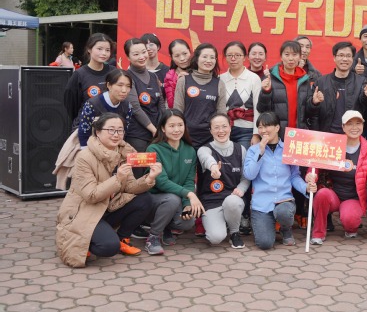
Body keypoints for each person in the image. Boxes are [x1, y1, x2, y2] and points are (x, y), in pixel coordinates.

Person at [55, 113, 160, 268]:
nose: (116, 135)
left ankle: (122, 238)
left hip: (108, 207)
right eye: (111, 130)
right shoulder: (84, 157)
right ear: (98, 132)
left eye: (120, 130)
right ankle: (86, 242)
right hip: (86, 211)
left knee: (144, 199)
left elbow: (130, 187)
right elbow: (91, 195)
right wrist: (118, 178)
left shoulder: (122, 153)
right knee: (108, 247)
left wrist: (149, 178)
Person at [257, 41, 313, 227]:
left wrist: (315, 102)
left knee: (298, 174)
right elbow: (262, 109)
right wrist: (265, 91)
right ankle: (277, 216)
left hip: (299, 136)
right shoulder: (271, 78)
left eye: (294, 55)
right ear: (281, 56)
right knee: (278, 175)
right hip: (278, 136)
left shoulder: (305, 79)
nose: (291, 58)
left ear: (300, 57)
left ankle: (299, 213)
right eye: (287, 54)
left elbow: (309, 111)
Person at [307, 110, 367, 245]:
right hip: (333, 193)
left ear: (363, 125)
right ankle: (318, 233)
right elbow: (315, 163)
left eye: (358, 123)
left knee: (350, 219)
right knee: (321, 194)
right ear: (343, 127)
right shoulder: (333, 143)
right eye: (350, 124)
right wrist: (311, 175)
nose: (354, 127)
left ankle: (351, 229)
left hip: (353, 197)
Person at [243, 112, 316, 249]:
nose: (263, 130)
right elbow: (249, 175)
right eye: (260, 127)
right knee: (265, 243)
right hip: (261, 204)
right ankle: (268, 225)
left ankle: (285, 228)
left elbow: (294, 176)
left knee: (283, 212)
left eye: (267, 126)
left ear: (277, 127)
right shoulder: (253, 150)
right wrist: (260, 151)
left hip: (284, 200)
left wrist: (306, 187)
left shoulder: (289, 149)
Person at [145, 109, 204, 255]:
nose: (177, 130)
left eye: (180, 125)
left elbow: (189, 181)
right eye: (171, 126)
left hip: (176, 199)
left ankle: (166, 228)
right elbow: (161, 181)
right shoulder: (153, 149)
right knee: (172, 199)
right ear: (163, 128)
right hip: (153, 200)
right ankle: (153, 237)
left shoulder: (190, 150)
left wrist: (187, 204)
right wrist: (190, 194)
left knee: (188, 221)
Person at [197, 113, 250, 249]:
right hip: (211, 201)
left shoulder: (241, 149)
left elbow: (245, 177)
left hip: (233, 198)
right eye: (216, 127)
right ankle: (222, 222)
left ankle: (234, 232)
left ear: (230, 128)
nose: (221, 131)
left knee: (232, 202)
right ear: (211, 131)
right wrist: (213, 167)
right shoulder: (204, 149)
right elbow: (206, 158)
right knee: (215, 238)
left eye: (224, 126)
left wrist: (241, 189)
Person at [307, 41, 367, 134]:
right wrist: (314, 103)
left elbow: (366, 108)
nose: (344, 59)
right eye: (341, 55)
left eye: (348, 56)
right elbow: (310, 113)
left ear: (352, 59)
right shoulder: (321, 82)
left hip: (351, 135)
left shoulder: (361, 82)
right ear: (334, 58)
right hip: (327, 134)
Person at [174, 43, 227, 149]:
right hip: (187, 136)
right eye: (205, 56)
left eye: (212, 57)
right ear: (197, 59)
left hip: (210, 137)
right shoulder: (184, 80)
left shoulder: (219, 83)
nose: (208, 60)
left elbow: (221, 113)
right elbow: (177, 111)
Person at [64, 33, 114, 127]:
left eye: (107, 50)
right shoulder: (79, 75)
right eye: (99, 49)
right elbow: (71, 105)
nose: (104, 53)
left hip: (110, 126)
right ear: (89, 49)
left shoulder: (114, 72)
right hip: (86, 126)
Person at [123, 38, 164, 154]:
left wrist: (162, 127)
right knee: (140, 165)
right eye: (136, 54)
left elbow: (161, 103)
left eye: (144, 52)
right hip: (137, 135)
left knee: (157, 165)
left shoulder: (154, 76)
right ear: (128, 57)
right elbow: (135, 108)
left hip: (157, 133)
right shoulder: (127, 77)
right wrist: (153, 129)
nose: (141, 57)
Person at [219, 41, 261, 149]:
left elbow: (258, 108)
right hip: (224, 130)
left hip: (247, 131)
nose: (233, 58)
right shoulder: (220, 79)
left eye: (237, 55)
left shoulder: (254, 78)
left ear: (244, 57)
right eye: (230, 55)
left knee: (243, 158)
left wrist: (256, 134)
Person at [77, 69, 133, 148]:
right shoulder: (93, 104)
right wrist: (85, 150)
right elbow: (84, 132)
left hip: (115, 147)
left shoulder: (127, 107)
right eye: (120, 85)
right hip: (92, 146)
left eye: (128, 86)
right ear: (109, 85)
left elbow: (124, 132)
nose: (124, 90)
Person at [164, 39, 192, 108]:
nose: (182, 58)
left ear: (190, 52)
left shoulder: (200, 70)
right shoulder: (170, 77)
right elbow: (171, 104)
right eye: (177, 56)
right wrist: (177, 83)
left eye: (185, 53)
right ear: (171, 57)